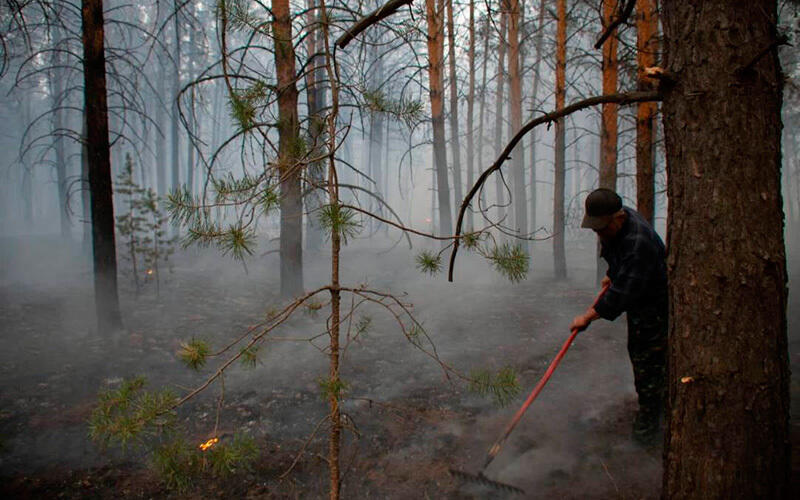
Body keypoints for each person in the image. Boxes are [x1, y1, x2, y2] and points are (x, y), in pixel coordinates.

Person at [570, 188, 668, 445]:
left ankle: (648, 430)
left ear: (619, 218)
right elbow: (617, 254)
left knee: (648, 364)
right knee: (641, 356)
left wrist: (588, 317)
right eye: (595, 228)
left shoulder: (639, 244)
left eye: (602, 228)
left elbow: (623, 294)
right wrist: (614, 272)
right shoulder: (619, 226)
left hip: (654, 309)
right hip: (640, 299)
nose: (599, 233)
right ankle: (658, 409)